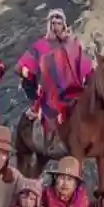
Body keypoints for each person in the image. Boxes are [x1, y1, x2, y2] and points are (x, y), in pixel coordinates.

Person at [15, 9, 94, 146]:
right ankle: (47, 142)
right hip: (47, 93)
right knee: (46, 111)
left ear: (64, 24)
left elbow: (84, 65)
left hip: (71, 91)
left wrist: (92, 71)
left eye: (59, 23)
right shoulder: (40, 46)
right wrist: (28, 72)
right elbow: (23, 65)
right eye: (53, 23)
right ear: (49, 25)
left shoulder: (73, 44)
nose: (56, 26)